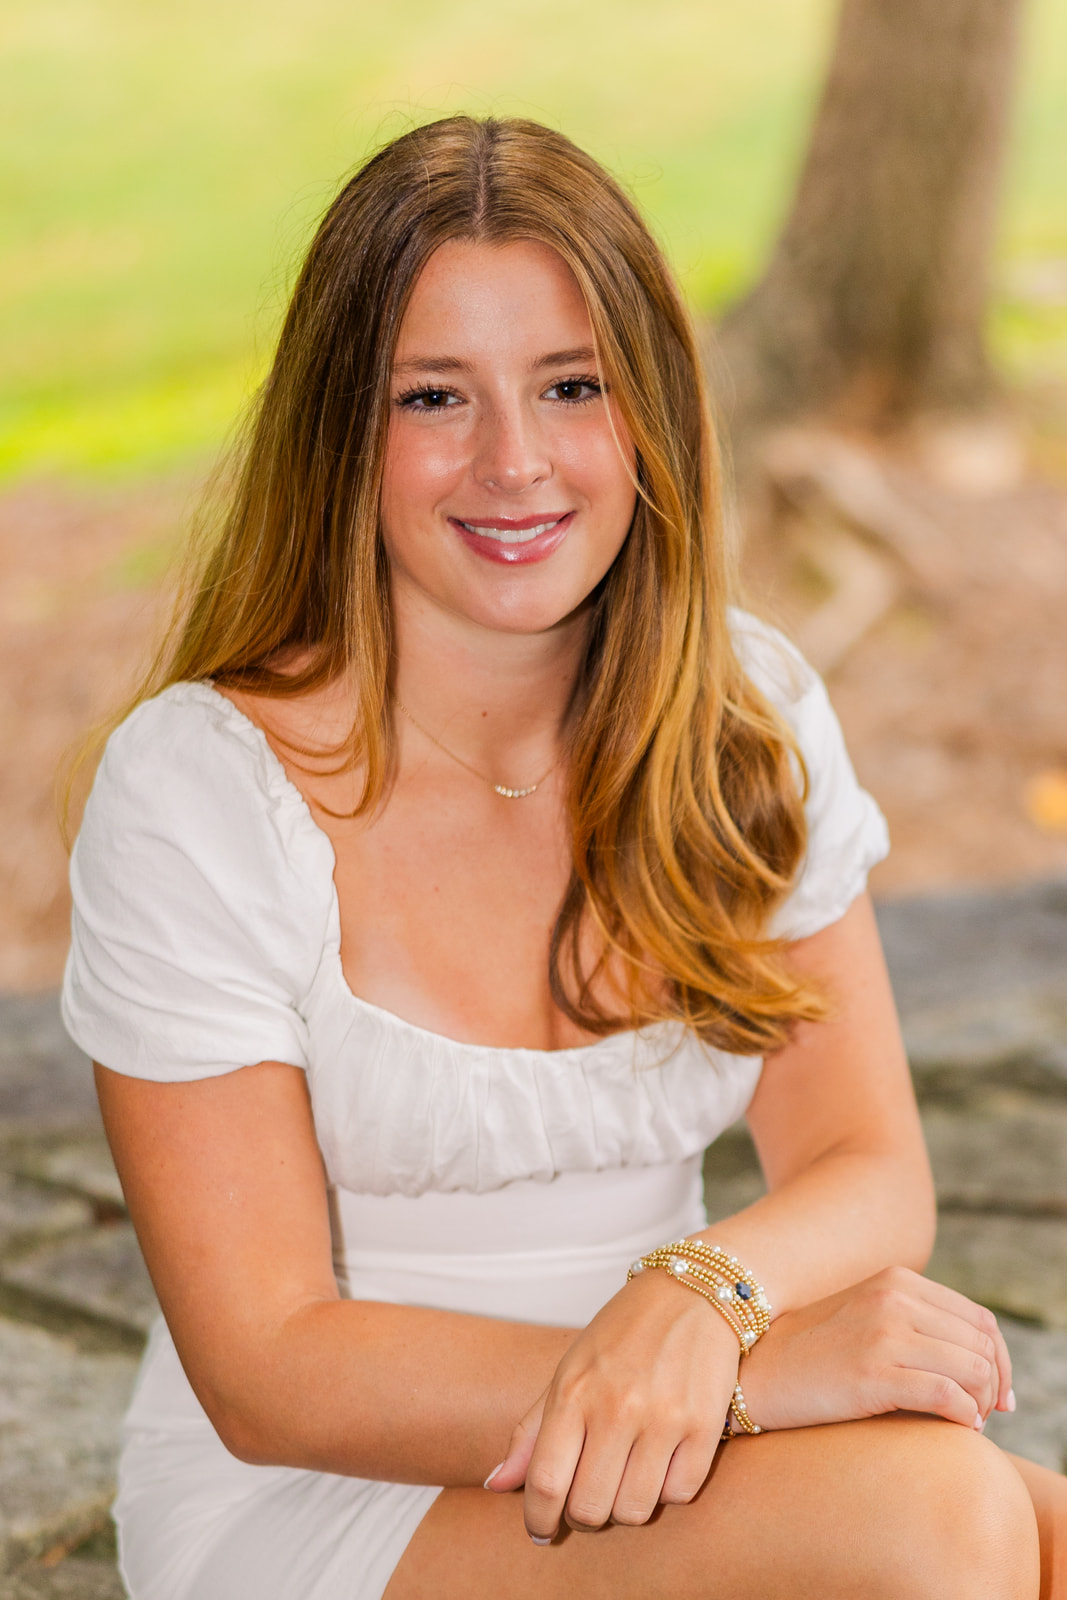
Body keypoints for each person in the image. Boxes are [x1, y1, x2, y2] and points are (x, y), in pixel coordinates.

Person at [62, 116, 1063, 1600]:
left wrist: (700, 1299)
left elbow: (865, 1165)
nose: (514, 461)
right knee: (940, 1522)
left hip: (666, 1422)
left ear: (648, 408)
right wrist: (734, 1378)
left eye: (571, 385)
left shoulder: (744, 717)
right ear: (345, 428)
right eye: (434, 397)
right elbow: (272, 1365)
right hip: (329, 1493)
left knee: (1029, 1530)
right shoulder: (200, 790)